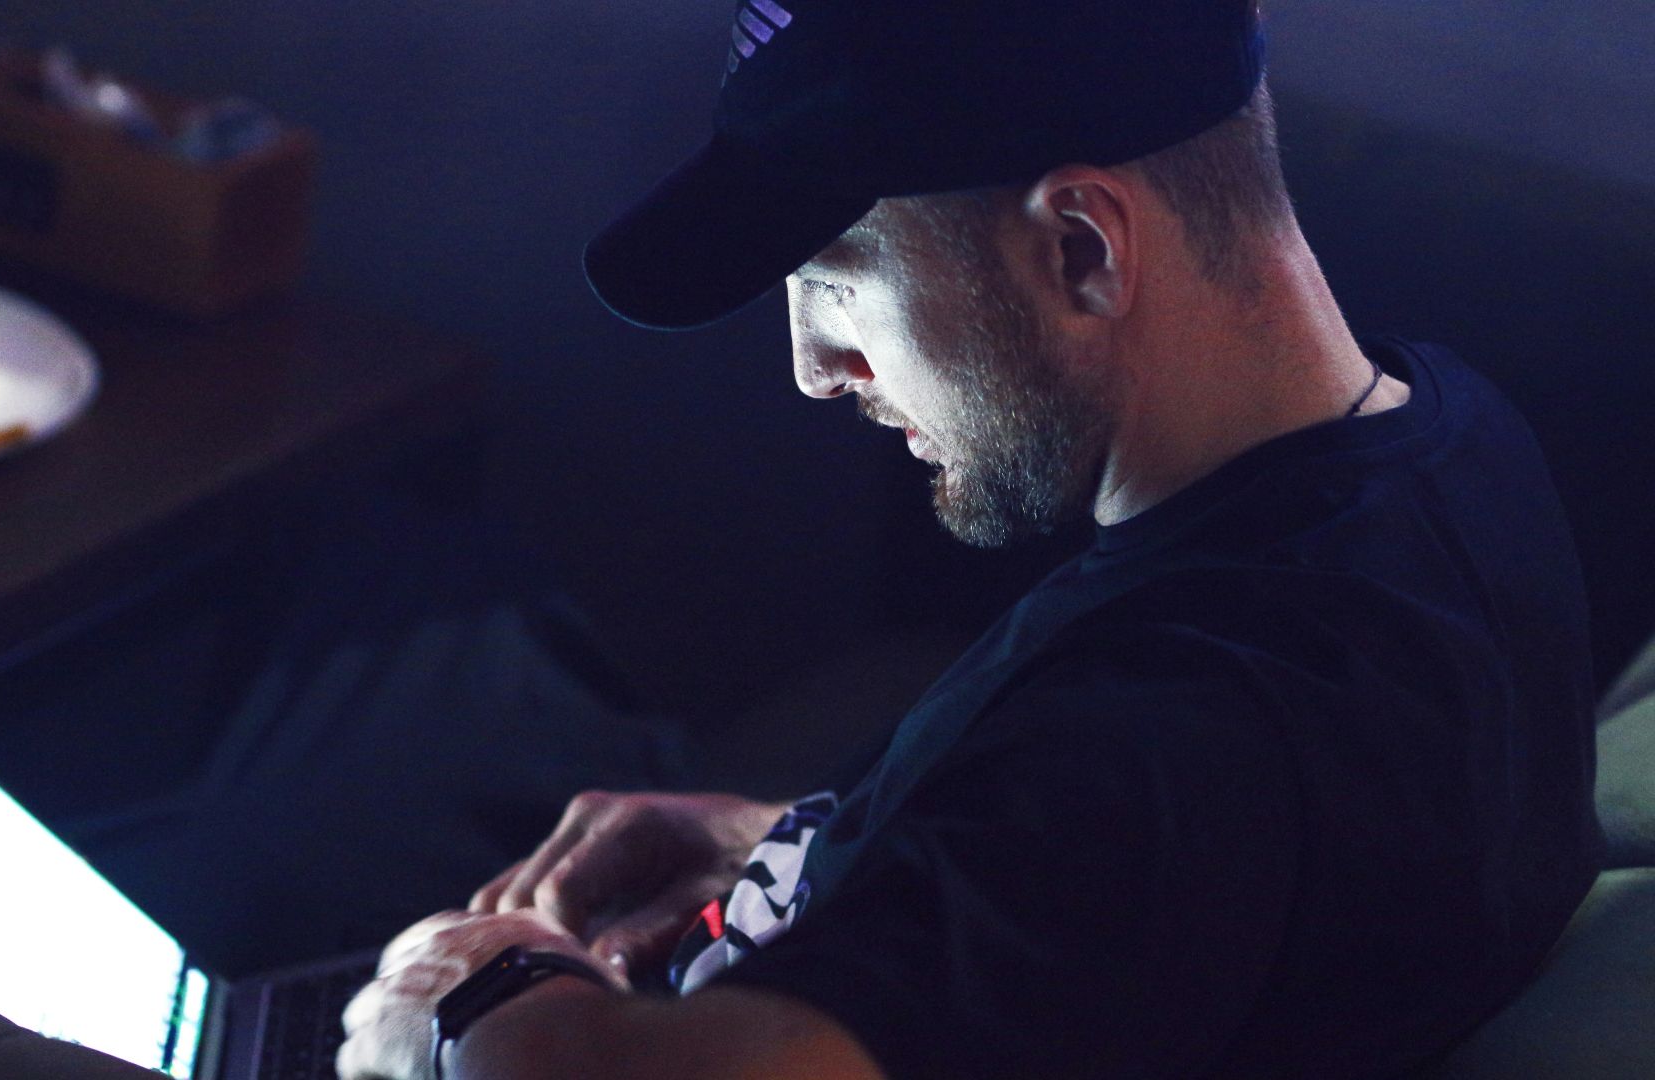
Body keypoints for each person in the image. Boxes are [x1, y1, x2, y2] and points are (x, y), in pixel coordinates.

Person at [337, 1, 1604, 1077]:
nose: (814, 370)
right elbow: (1138, 893)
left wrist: (469, 1011)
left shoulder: (1176, 732)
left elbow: (1132, 812)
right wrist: (801, 835)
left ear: (1081, 249)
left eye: (837, 277)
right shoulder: (1449, 439)